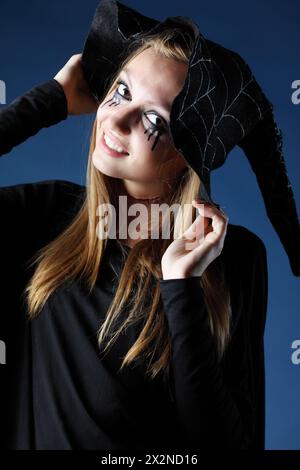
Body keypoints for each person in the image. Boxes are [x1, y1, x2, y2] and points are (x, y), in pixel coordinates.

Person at [0, 29, 268, 450]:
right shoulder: (45, 214)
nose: (116, 119)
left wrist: (181, 286)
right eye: (121, 90)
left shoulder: (234, 258)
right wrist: (47, 101)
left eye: (154, 120)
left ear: (191, 155)